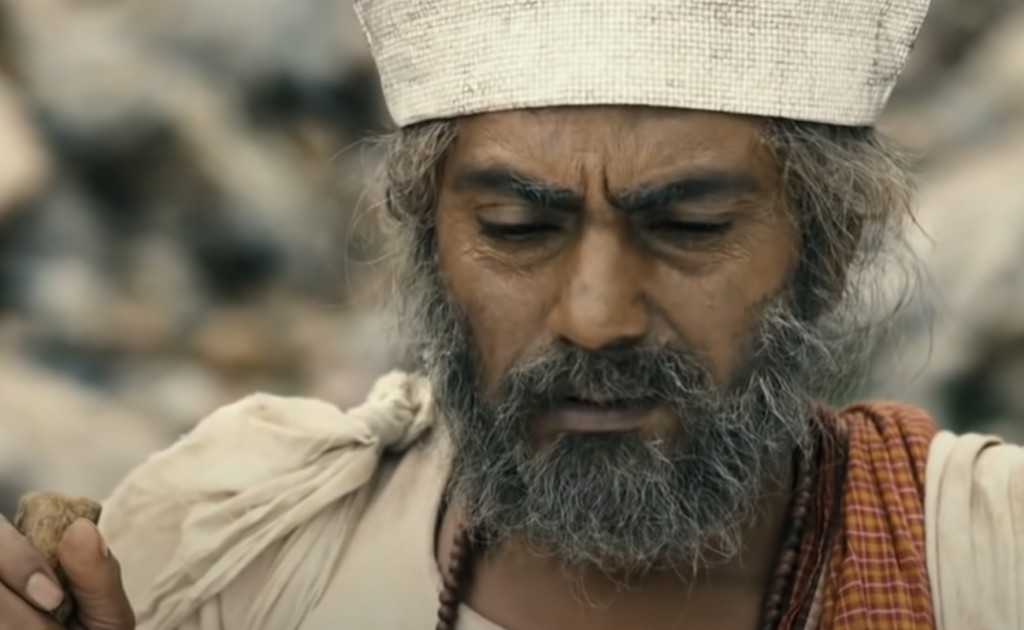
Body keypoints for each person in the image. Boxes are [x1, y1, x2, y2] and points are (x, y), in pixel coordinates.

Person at [0, 0, 1021, 629]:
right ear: (430, 249)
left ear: (827, 255)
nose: (594, 316)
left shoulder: (986, 563)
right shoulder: (232, 555)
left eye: (692, 228)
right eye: (517, 228)